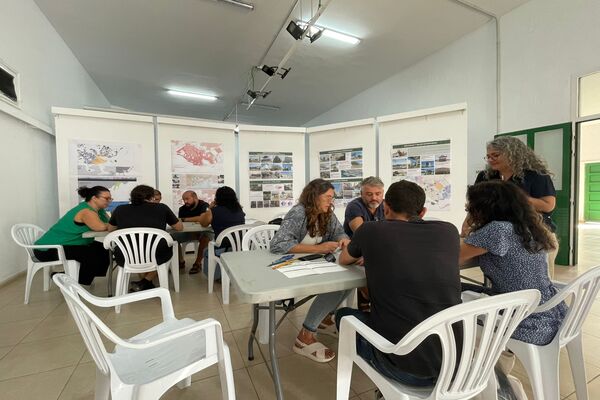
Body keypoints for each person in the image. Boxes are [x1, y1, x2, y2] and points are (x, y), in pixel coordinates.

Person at [337, 180, 462, 386]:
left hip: (405, 369)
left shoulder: (370, 230)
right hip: (457, 365)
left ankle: (382, 382)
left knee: (343, 315)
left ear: (385, 207)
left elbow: (344, 259)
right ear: (423, 212)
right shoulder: (448, 231)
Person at [460, 180, 565, 346]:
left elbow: (453, 257)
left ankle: (456, 352)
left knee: (449, 292)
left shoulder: (498, 230)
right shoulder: (528, 227)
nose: (468, 208)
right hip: (551, 313)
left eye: (470, 206)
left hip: (526, 321)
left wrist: (469, 222)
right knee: (462, 288)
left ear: (484, 206)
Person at [270, 178, 351, 363]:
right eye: (328, 197)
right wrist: (318, 248)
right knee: (336, 286)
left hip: (312, 264)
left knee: (347, 282)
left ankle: (323, 320)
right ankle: (304, 337)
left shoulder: (327, 213)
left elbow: (339, 232)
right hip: (292, 265)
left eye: (332, 197)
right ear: (314, 196)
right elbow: (278, 244)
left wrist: (343, 239)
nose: (331, 201)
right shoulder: (298, 212)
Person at [465, 136, 558, 277]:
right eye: (488, 156)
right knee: (501, 278)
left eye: (496, 155)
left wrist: (513, 196)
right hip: (497, 235)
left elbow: (548, 205)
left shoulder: (535, 175)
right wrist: (467, 223)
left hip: (533, 236)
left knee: (536, 279)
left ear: (513, 153)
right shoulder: (485, 176)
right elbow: (477, 205)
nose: (491, 159)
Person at [108, 185, 183, 291]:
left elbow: (110, 229)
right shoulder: (161, 208)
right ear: (152, 197)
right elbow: (179, 227)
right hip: (156, 254)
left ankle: (144, 282)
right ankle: (146, 281)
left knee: (137, 250)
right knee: (165, 249)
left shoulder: (120, 209)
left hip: (125, 254)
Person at [34, 186, 112, 285]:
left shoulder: (99, 210)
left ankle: (79, 277)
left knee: (104, 249)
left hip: (69, 244)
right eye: (106, 198)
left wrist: (109, 224)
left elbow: (110, 224)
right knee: (92, 255)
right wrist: (109, 225)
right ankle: (64, 277)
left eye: (110, 198)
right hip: (48, 250)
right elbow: (101, 227)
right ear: (94, 198)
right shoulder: (86, 211)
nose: (109, 201)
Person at [342, 176, 385, 311]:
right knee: (366, 270)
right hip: (354, 250)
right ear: (361, 194)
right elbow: (362, 234)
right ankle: (372, 305)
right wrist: (370, 255)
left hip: (377, 249)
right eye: (369, 194)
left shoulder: (386, 206)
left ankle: (379, 305)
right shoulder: (354, 206)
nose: (374, 198)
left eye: (378, 194)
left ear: (383, 193)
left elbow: (394, 231)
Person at [196, 186, 245, 280]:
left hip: (223, 246)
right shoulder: (239, 209)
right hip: (240, 245)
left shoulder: (213, 211)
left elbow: (203, 223)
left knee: (206, 250)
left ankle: (216, 276)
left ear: (217, 198)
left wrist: (209, 208)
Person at [173, 190, 210, 274]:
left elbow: (202, 218)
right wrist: (196, 219)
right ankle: (181, 261)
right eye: (183, 199)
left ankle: (197, 263)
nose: (185, 201)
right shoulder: (182, 209)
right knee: (172, 237)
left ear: (195, 198)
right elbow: (180, 222)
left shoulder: (204, 205)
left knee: (206, 238)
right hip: (188, 232)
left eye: (187, 199)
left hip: (201, 232)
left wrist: (185, 219)